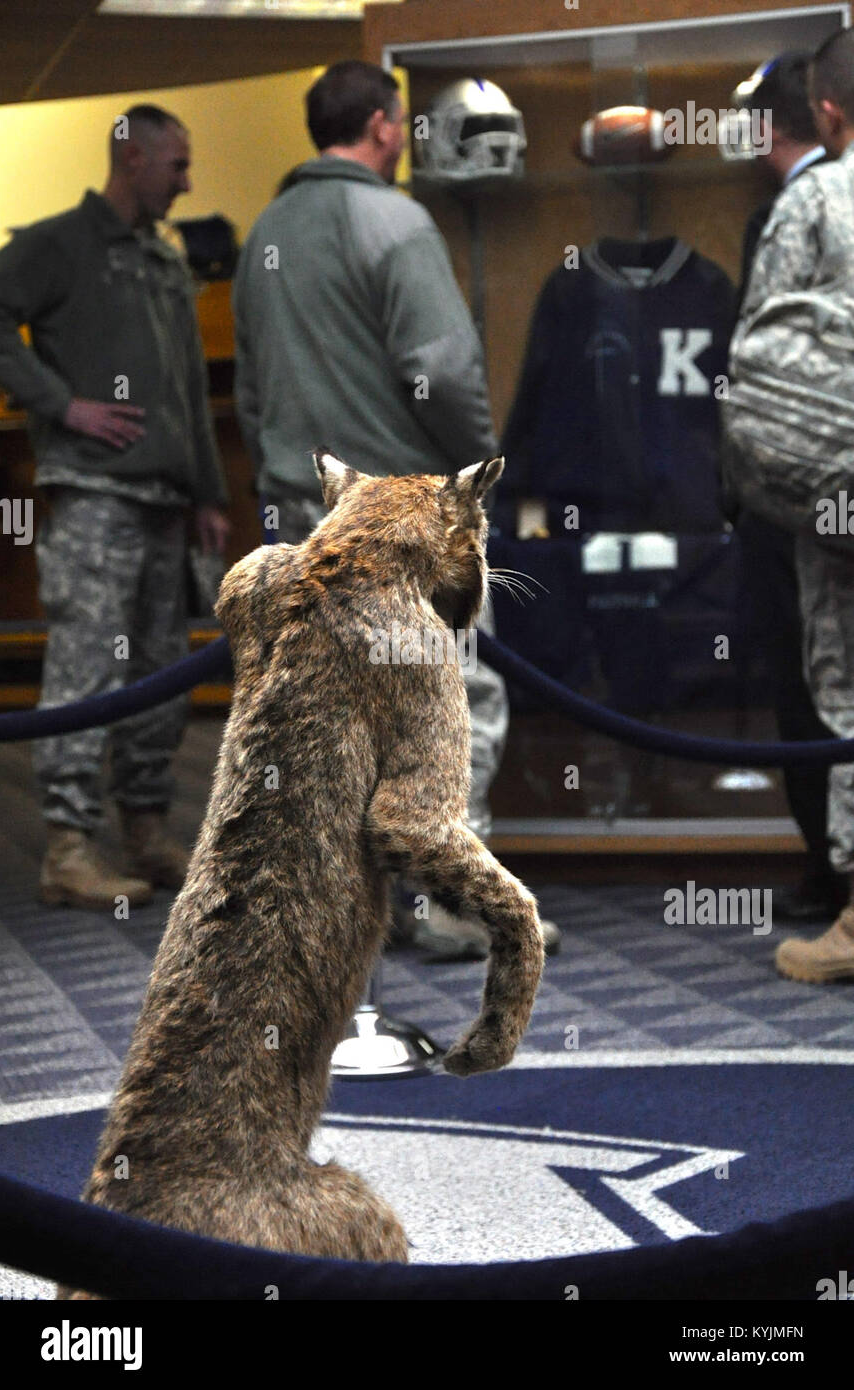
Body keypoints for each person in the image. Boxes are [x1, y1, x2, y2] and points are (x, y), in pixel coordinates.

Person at [233, 60, 558, 960]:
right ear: (383, 127)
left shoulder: (264, 230)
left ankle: (330, 918)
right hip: (403, 523)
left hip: (303, 517)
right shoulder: (395, 220)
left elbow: (251, 390)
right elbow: (445, 372)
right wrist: (473, 478)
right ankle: (449, 908)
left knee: (321, 725)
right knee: (448, 707)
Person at [0, 104, 230, 911]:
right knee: (88, 670)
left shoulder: (163, 262)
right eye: (177, 164)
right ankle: (65, 846)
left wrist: (208, 492)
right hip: (94, 495)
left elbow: (191, 392)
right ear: (132, 159)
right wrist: (62, 404)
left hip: (167, 503)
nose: (187, 181)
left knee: (162, 674)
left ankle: (144, 831)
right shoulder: (58, 244)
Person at [737, 31, 854, 981]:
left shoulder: (814, 200)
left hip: (837, 509)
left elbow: (765, 377)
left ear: (827, 113)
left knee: (847, 693)